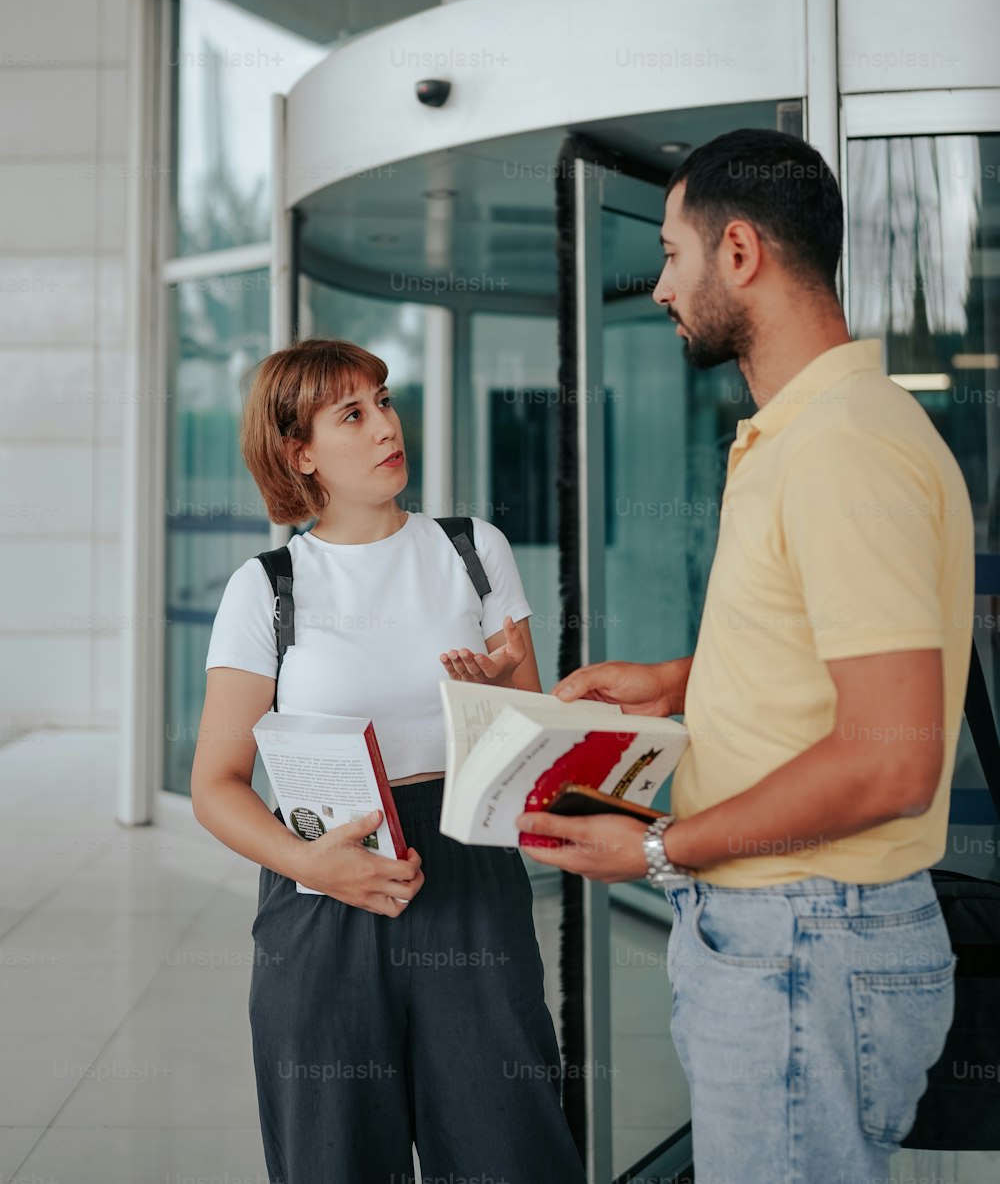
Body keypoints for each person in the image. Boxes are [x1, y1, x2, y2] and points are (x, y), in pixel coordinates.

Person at [516, 129, 975, 1184]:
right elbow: (840, 655)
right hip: (793, 938)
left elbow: (890, 759)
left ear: (737, 252)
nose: (659, 288)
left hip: (806, 940)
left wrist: (662, 849)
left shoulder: (839, 448)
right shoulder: (815, 431)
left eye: (671, 256)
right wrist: (682, 681)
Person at [191, 338, 585, 1184]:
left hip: (471, 878)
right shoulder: (268, 588)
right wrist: (311, 866)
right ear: (301, 455)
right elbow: (214, 787)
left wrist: (493, 696)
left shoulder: (474, 550)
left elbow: (534, 746)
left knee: (509, 1152)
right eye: (352, 414)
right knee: (335, 1157)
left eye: (384, 400)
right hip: (324, 892)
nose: (384, 427)